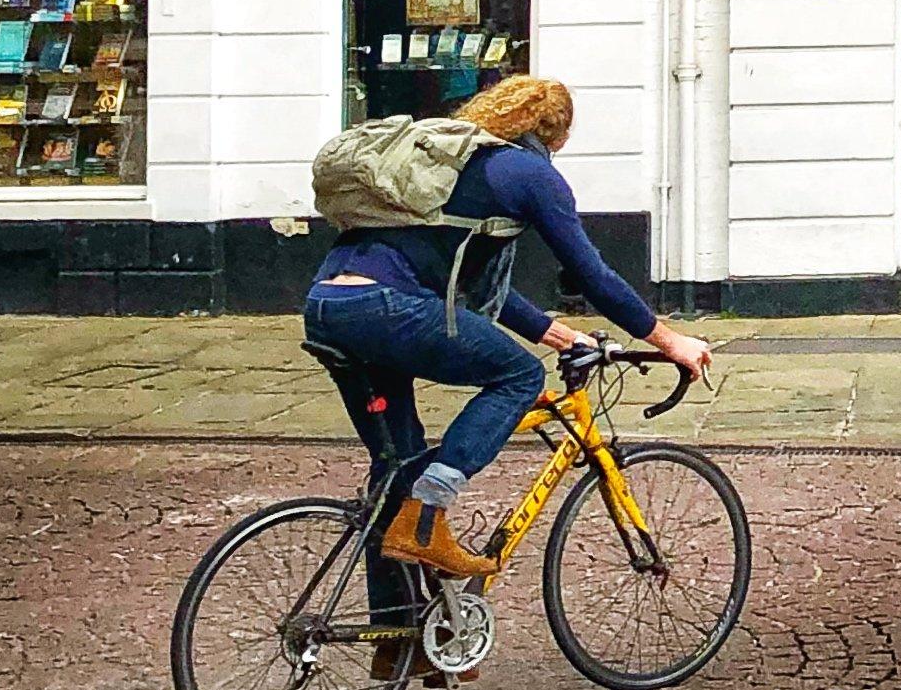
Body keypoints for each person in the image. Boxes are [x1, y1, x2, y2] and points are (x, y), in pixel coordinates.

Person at [305, 75, 711, 598]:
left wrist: (555, 334)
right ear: (557, 134)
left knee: (396, 468)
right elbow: (592, 275)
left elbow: (470, 284)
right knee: (519, 375)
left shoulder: (452, 167)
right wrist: (667, 340)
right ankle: (428, 515)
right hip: (389, 306)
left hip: (328, 305)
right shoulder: (528, 173)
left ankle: (397, 642)